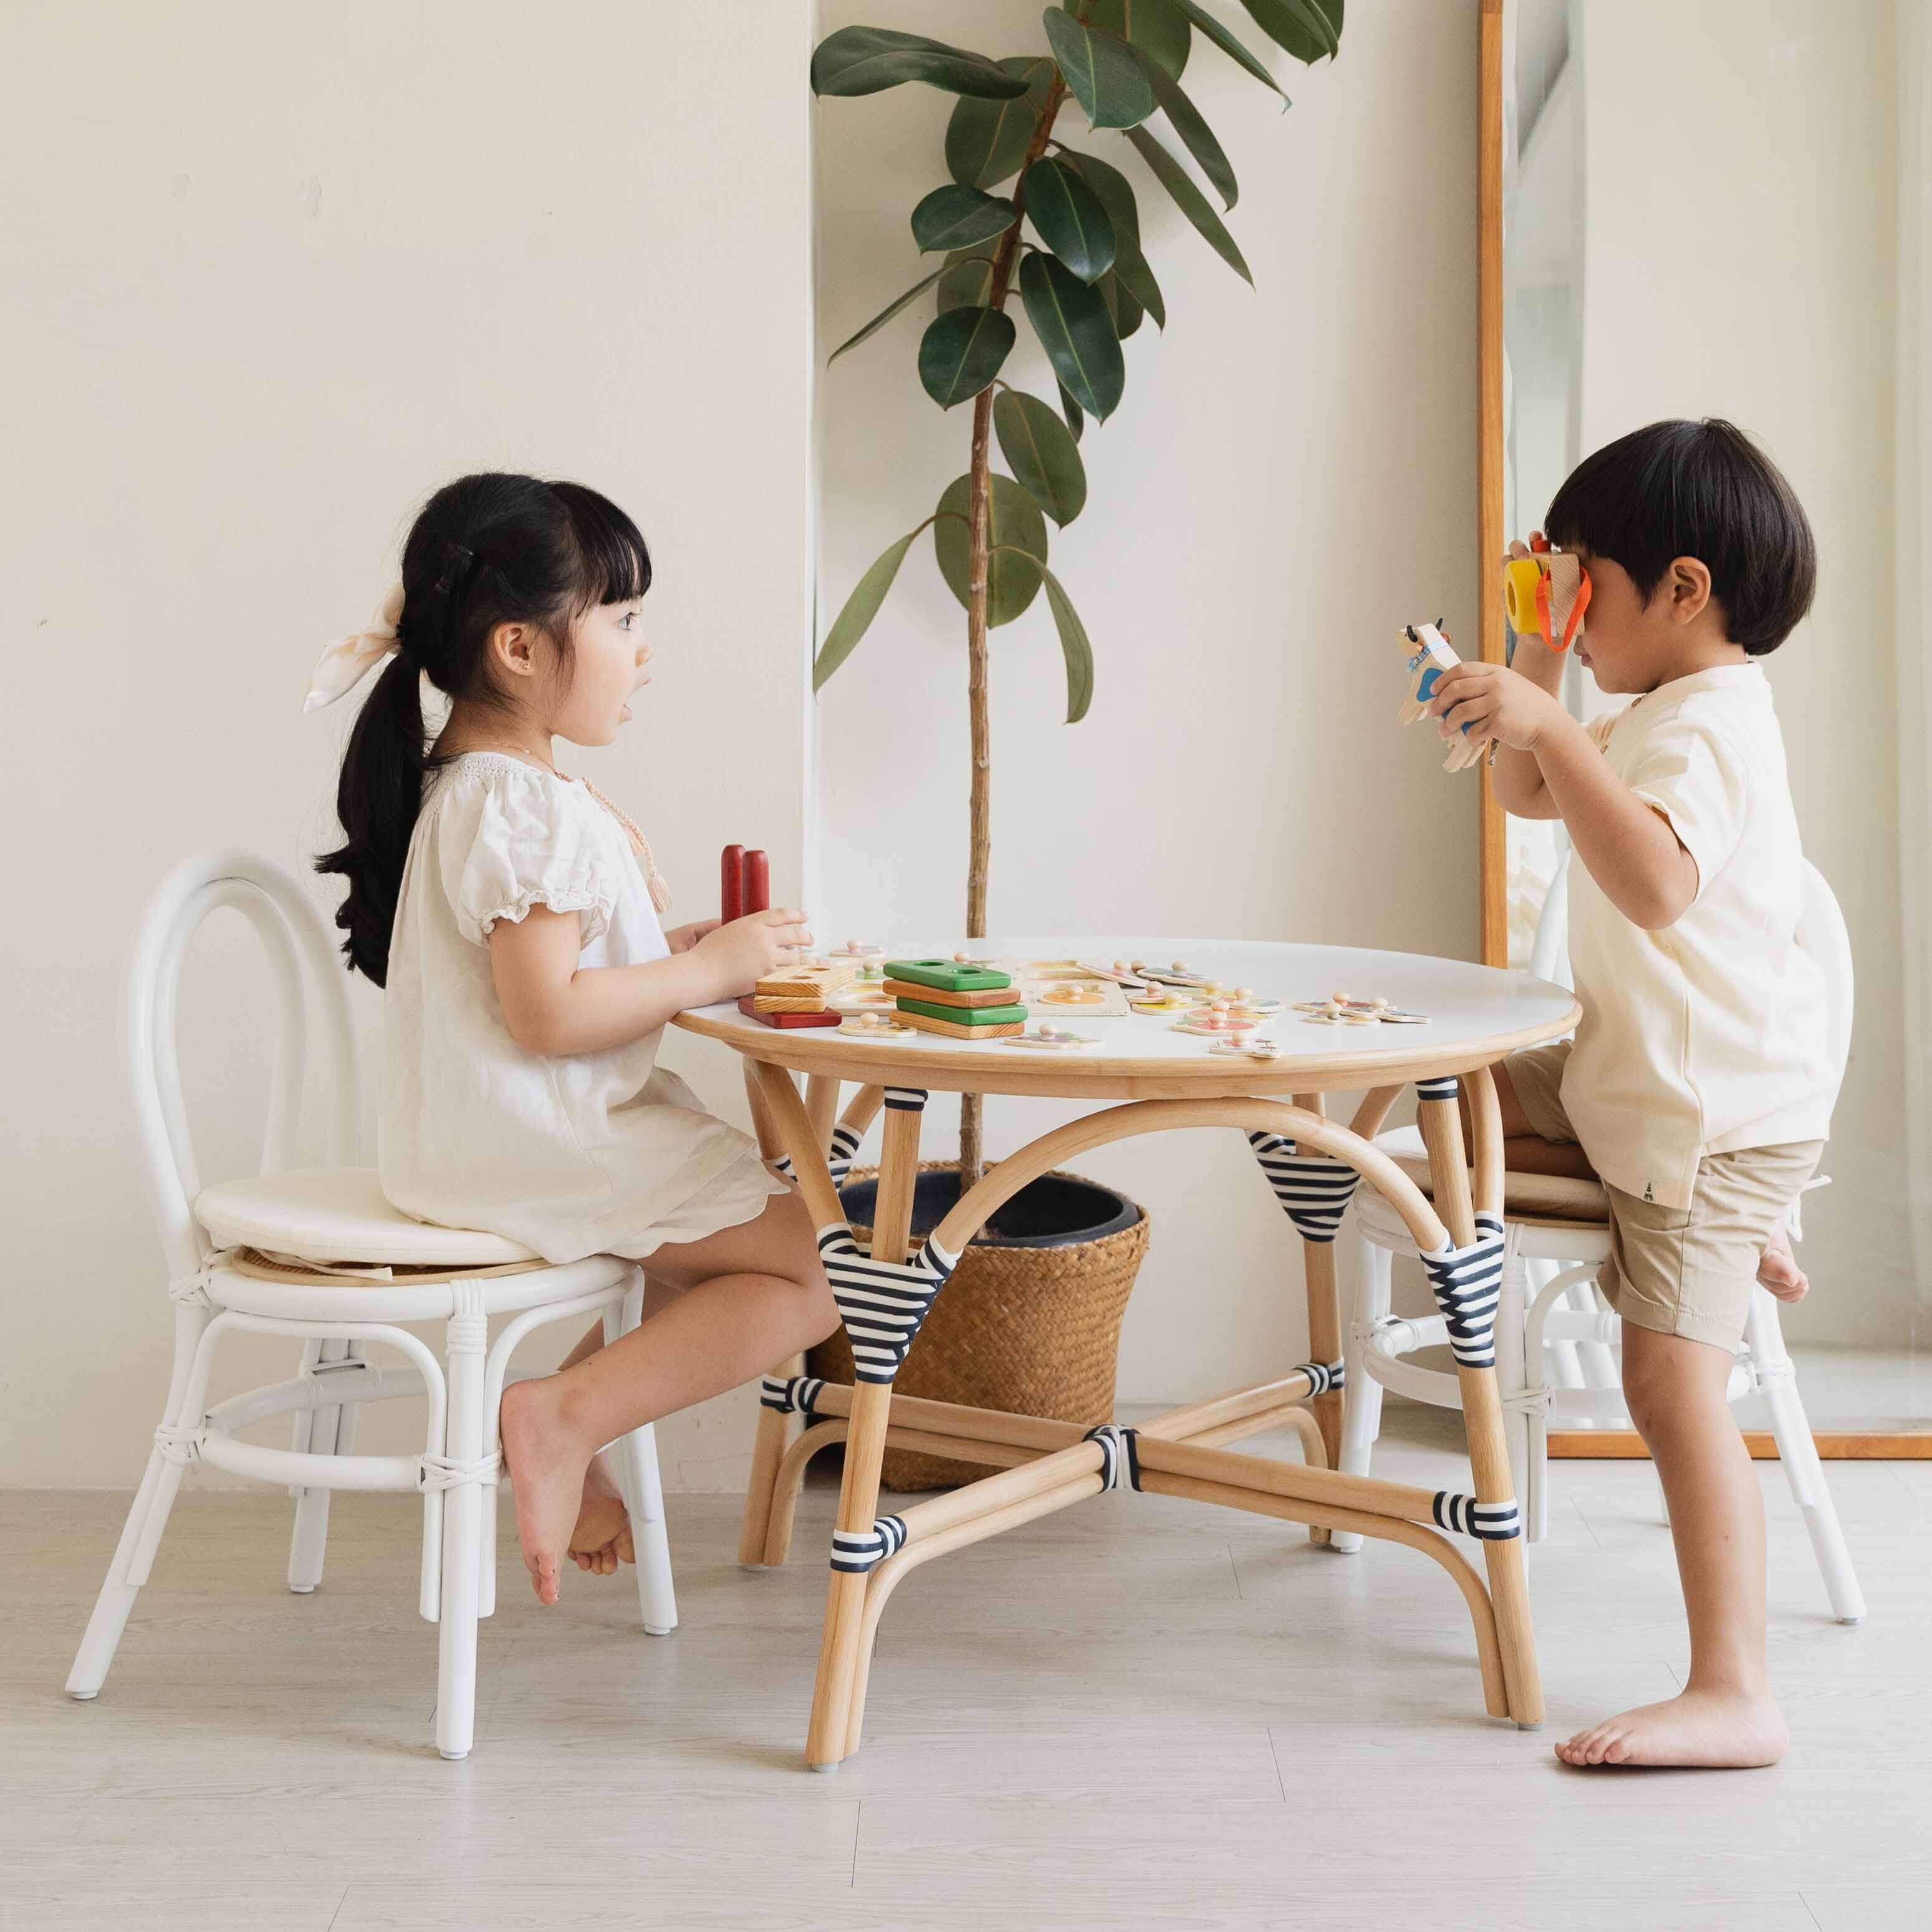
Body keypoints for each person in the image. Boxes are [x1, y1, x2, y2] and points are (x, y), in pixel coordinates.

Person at [310, 472, 837, 1607]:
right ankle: (559, 1414)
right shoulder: (521, 804)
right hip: (537, 1135)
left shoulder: (484, 786)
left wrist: (688, 944)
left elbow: (555, 970)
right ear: (520, 647)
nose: (643, 651)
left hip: (477, 1134)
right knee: (818, 1267)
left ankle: (568, 1421)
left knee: (749, 1247)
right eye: (623, 619)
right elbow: (546, 1014)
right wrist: (711, 971)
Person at [1425, 420, 1835, 1769]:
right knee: (1440, 1070)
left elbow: (1653, 882)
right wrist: (1532, 666)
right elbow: (1535, 795)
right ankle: (1729, 1230)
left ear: (1679, 589)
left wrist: (1553, 711)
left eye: (1583, 581)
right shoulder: (1655, 705)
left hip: (1707, 1111)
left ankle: (1734, 1687)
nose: (1573, 604)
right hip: (1644, 1084)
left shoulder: (1714, 726)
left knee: (1668, 1384)